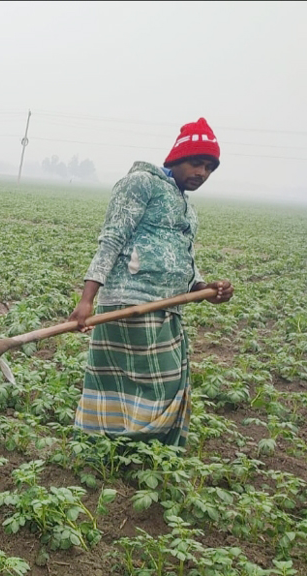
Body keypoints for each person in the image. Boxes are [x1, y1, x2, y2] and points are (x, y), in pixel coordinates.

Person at [69, 118, 234, 447]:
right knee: (150, 381)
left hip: (168, 307)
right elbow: (112, 238)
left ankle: (134, 451)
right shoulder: (141, 183)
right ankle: (116, 446)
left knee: (160, 381)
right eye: (196, 163)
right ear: (175, 158)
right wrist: (87, 300)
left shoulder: (186, 206)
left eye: (209, 168)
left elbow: (180, 258)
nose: (201, 173)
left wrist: (205, 288)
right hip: (129, 303)